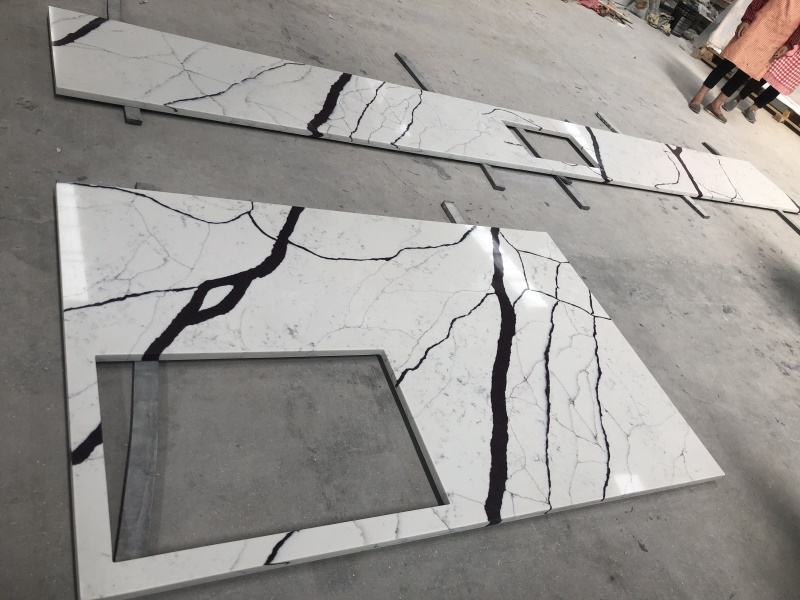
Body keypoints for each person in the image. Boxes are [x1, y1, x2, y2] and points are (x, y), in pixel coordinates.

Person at [688, 0, 800, 123]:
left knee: (746, 72)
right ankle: (699, 96)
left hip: (778, 39)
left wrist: (789, 45)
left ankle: (717, 104)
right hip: (759, 24)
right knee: (729, 61)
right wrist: (747, 19)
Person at [723, 44, 800, 122]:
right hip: (792, 53)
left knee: (778, 89)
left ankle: (753, 109)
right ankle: (737, 99)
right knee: (761, 78)